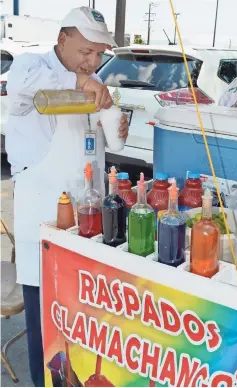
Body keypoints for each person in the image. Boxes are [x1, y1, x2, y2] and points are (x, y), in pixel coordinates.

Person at [5, 7, 128, 386]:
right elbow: (23, 82)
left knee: (80, 309)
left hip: (83, 211)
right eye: (86, 52)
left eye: (98, 55)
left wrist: (117, 125)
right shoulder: (32, 66)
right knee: (44, 313)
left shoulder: (94, 84)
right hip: (40, 208)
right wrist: (78, 79)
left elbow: (108, 142)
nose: (93, 62)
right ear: (63, 39)